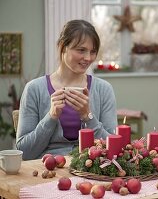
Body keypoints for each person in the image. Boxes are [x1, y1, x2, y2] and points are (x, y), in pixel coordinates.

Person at [16, 20, 117, 160]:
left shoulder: (104, 90)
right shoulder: (34, 89)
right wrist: (51, 117)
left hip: (90, 170)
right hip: (46, 170)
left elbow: (115, 148)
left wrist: (88, 117)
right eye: (81, 50)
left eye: (92, 52)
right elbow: (24, 153)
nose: (88, 58)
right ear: (63, 47)